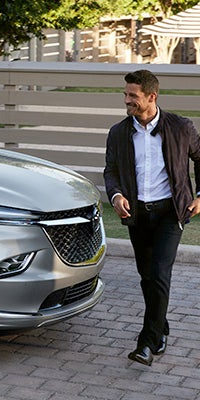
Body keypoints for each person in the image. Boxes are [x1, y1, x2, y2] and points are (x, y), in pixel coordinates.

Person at [103, 69, 200, 367]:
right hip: (138, 216)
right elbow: (111, 171)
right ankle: (161, 328)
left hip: (170, 213)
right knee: (147, 277)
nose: (127, 100)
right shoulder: (119, 132)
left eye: (133, 95)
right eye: (126, 94)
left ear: (151, 97)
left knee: (159, 273)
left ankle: (147, 342)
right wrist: (116, 196)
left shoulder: (180, 127)